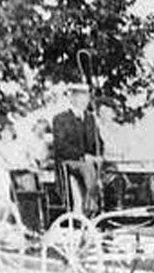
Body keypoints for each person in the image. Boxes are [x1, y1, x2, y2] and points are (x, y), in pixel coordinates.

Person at [51, 84, 104, 216]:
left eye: (86, 97)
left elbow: (99, 142)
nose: (85, 101)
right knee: (87, 167)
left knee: (112, 168)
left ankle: (113, 205)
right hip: (69, 162)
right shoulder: (61, 119)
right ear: (72, 99)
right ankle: (91, 207)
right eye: (81, 97)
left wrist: (98, 155)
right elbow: (61, 146)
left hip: (89, 162)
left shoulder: (90, 119)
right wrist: (82, 156)